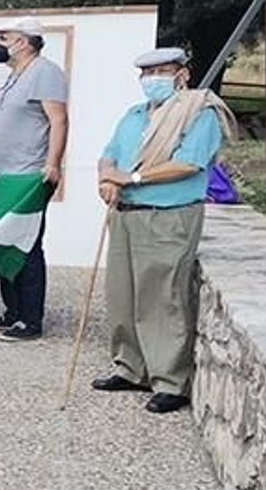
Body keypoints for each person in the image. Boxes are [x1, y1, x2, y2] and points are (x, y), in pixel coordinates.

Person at [92, 48, 235, 414]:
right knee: (123, 292)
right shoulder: (134, 115)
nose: (153, 77)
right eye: (147, 71)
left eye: (162, 70)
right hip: (126, 212)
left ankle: (170, 380)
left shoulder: (198, 113)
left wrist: (133, 177)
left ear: (182, 74)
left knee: (162, 295)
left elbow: (189, 162)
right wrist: (107, 178)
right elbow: (109, 154)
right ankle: (130, 367)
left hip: (168, 214)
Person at [0, 16, 68, 342]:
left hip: (26, 173)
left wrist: (52, 163)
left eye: (4, 36)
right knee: (3, 244)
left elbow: (58, 120)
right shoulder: (15, 76)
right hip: (1, 175)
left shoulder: (45, 72)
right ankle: (11, 312)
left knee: (25, 245)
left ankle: (30, 320)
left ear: (24, 41)